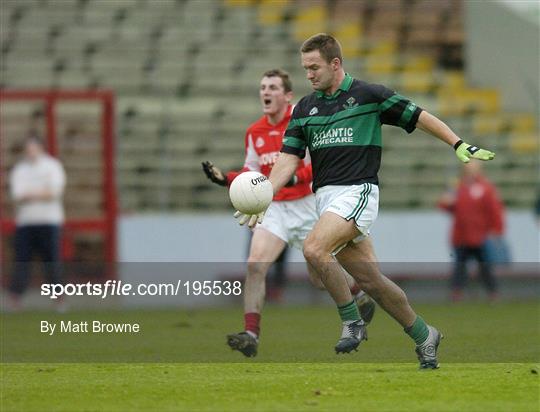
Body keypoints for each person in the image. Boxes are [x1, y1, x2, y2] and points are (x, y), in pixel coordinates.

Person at [236, 34, 496, 369]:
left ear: (335, 64)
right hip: (327, 199)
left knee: (314, 249)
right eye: (305, 69)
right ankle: (424, 334)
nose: (310, 75)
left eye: (314, 67)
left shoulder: (370, 96)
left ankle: (352, 320)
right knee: (373, 282)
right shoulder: (304, 108)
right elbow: (288, 159)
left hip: (358, 191)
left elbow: (419, 116)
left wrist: (458, 143)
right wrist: (264, 195)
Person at [202, 69, 375, 357]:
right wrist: (227, 179)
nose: (265, 92)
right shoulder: (254, 132)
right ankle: (250, 334)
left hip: (307, 205)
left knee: (320, 279)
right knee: (256, 264)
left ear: (287, 95)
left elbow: (318, 163)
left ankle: (357, 291)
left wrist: (291, 178)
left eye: (272, 87)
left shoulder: (303, 119)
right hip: (275, 208)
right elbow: (251, 175)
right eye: (262, 87)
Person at [8, 136, 66, 311]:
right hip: (26, 223)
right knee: (22, 261)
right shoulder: (20, 169)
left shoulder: (52, 166)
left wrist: (30, 194)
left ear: (41, 148)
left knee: (52, 262)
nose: (30, 151)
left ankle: (59, 299)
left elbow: (55, 192)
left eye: (33, 148)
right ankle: (16, 299)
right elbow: (17, 195)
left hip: (49, 222)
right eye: (28, 148)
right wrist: (42, 192)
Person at [438, 161, 505, 301]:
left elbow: (494, 210)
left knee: (485, 266)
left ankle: (493, 293)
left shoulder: (486, 187)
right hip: (461, 235)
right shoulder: (457, 186)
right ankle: (456, 294)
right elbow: (444, 205)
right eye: (468, 169)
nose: (470, 171)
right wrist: (447, 201)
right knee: (460, 268)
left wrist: (497, 229)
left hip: (480, 235)